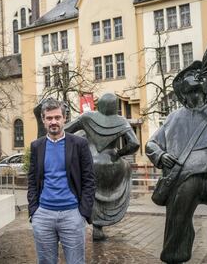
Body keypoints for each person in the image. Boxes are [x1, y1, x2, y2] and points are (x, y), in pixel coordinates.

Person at [146, 43, 207, 264]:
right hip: (182, 181)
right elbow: (151, 144)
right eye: (189, 76)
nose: (194, 76)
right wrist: (159, 156)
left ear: (205, 88)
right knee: (176, 229)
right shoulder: (174, 117)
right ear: (183, 92)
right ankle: (174, 259)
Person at [27, 98, 95, 264]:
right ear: (43, 120)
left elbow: (89, 179)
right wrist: (33, 211)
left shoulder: (79, 144)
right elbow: (32, 179)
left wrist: (83, 213)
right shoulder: (37, 146)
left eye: (57, 117)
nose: (53, 122)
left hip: (72, 215)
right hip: (43, 215)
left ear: (64, 118)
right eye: (49, 118)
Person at [65, 93, 139, 241]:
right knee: (109, 191)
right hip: (112, 163)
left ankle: (79, 223)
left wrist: (79, 141)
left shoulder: (86, 117)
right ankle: (98, 227)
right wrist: (119, 153)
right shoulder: (122, 121)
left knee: (87, 193)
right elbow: (134, 144)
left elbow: (65, 131)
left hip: (89, 162)